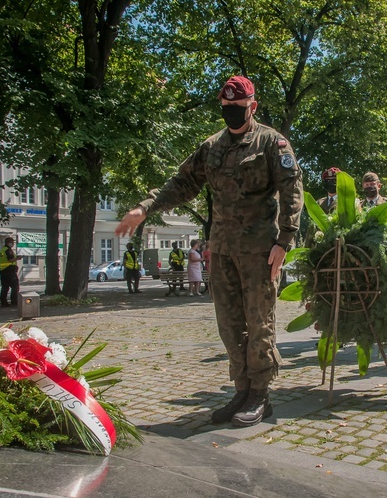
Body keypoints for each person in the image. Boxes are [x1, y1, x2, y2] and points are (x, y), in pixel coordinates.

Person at [115, 75, 303, 428]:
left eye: (239, 107)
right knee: (230, 324)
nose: (232, 112)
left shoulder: (271, 143)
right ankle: (242, 389)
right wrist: (144, 208)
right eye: (226, 107)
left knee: (258, 320)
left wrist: (285, 241)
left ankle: (261, 393)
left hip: (260, 251)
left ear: (253, 106)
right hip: (223, 250)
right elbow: (182, 182)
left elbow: (292, 190)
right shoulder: (212, 146)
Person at [0, 237, 22, 307]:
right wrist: (18, 258)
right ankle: (14, 301)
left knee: (5, 287)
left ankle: (3, 302)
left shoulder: (2, 250)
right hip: (9, 271)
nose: (13, 244)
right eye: (12, 242)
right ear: (8, 242)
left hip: (3, 271)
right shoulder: (8, 250)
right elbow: (10, 259)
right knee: (15, 286)